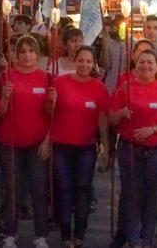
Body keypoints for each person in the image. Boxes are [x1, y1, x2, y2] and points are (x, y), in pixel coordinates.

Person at [109, 48, 157, 248]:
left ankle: (146, 238)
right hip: (130, 150)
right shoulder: (125, 88)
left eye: (150, 62)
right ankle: (133, 240)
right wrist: (121, 113)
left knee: (152, 196)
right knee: (132, 196)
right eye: (142, 62)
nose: (146, 66)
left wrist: (153, 129)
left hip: (155, 151)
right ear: (135, 65)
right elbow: (112, 118)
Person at [0, 35, 52, 248]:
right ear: (16, 55)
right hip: (9, 142)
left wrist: (52, 102)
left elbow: (51, 114)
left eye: (31, 51)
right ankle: (10, 233)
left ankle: (41, 234)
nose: (27, 55)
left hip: (37, 142)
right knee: (11, 189)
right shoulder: (5, 77)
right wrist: (5, 97)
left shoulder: (47, 78)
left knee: (39, 188)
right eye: (23, 51)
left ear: (38, 54)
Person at [49, 45, 109, 248]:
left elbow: (102, 119)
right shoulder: (60, 82)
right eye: (81, 60)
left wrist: (106, 146)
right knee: (64, 188)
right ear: (75, 61)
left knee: (83, 189)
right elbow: (48, 112)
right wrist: (51, 102)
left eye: (88, 61)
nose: (84, 64)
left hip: (86, 146)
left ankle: (80, 234)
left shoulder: (99, 87)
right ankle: (66, 234)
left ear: (94, 64)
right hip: (62, 145)